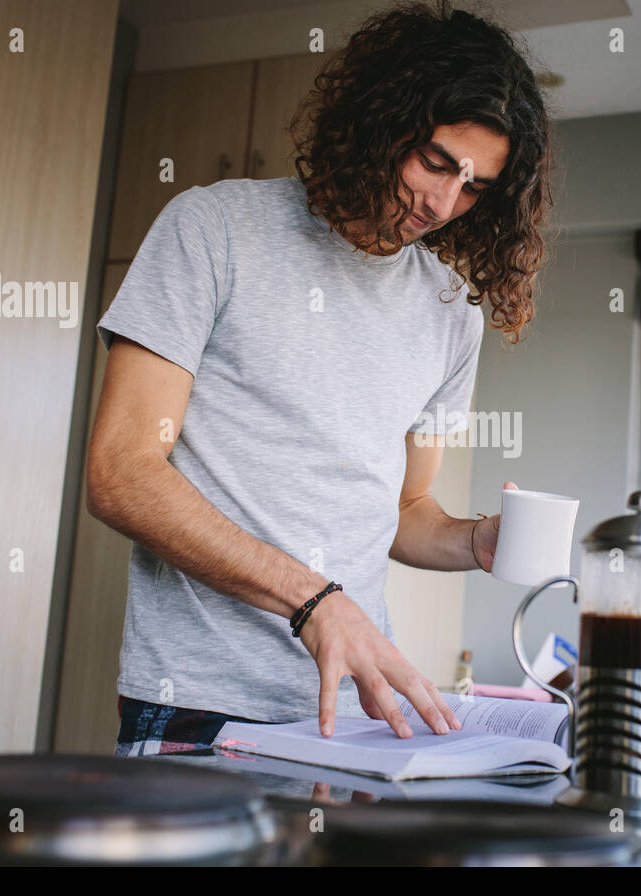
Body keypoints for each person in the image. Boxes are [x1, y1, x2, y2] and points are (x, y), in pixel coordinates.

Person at [87, 0, 555, 755]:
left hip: (358, 710)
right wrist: (313, 600)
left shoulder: (450, 316)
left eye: (474, 187)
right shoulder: (213, 229)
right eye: (435, 162)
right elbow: (120, 471)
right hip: (200, 705)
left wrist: (473, 541)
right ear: (381, 118)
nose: (442, 204)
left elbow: (403, 508)